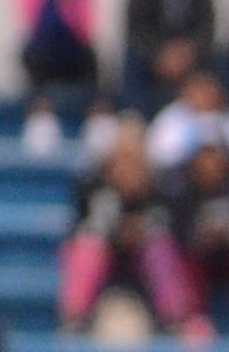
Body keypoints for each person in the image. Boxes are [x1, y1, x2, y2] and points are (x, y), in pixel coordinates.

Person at [57, 142, 195, 337]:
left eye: (134, 167)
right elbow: (81, 230)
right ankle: (74, 318)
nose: (127, 174)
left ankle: (174, 318)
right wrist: (115, 231)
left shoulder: (160, 195)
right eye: (121, 166)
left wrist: (140, 231)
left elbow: (177, 235)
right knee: (88, 246)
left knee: (160, 249)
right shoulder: (94, 192)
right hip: (107, 261)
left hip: (142, 263)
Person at [166, 141, 229, 335]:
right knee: (189, 263)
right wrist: (203, 237)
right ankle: (193, 320)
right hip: (199, 259)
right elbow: (178, 236)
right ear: (195, 170)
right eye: (205, 168)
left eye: (216, 167)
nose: (211, 172)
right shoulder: (183, 198)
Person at [15, 0, 103, 149]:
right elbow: (35, 25)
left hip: (74, 52)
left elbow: (83, 27)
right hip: (46, 54)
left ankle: (96, 113)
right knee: (29, 53)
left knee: (91, 56)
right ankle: (40, 111)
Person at [143, 65, 229, 178]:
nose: (205, 94)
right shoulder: (173, 116)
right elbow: (160, 157)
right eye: (199, 88)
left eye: (209, 87)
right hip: (184, 180)